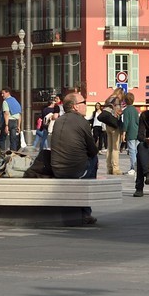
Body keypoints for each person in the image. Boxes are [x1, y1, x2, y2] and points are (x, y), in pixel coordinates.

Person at [47, 90, 100, 224]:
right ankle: (86, 212)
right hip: (76, 170)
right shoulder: (82, 122)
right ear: (75, 106)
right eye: (84, 102)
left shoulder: (58, 121)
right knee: (94, 159)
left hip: (57, 170)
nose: (86, 105)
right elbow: (93, 150)